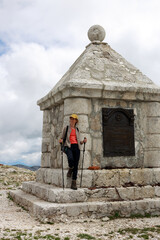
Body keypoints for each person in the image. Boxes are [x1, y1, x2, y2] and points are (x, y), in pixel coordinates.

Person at [59, 114, 87, 190]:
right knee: (70, 159)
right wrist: (61, 140)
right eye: (71, 118)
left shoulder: (77, 129)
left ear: (76, 121)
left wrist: (83, 141)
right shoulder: (66, 128)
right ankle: (70, 168)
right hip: (68, 146)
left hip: (76, 147)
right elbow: (62, 137)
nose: (72, 120)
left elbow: (78, 141)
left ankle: (73, 182)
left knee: (76, 164)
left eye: (74, 119)